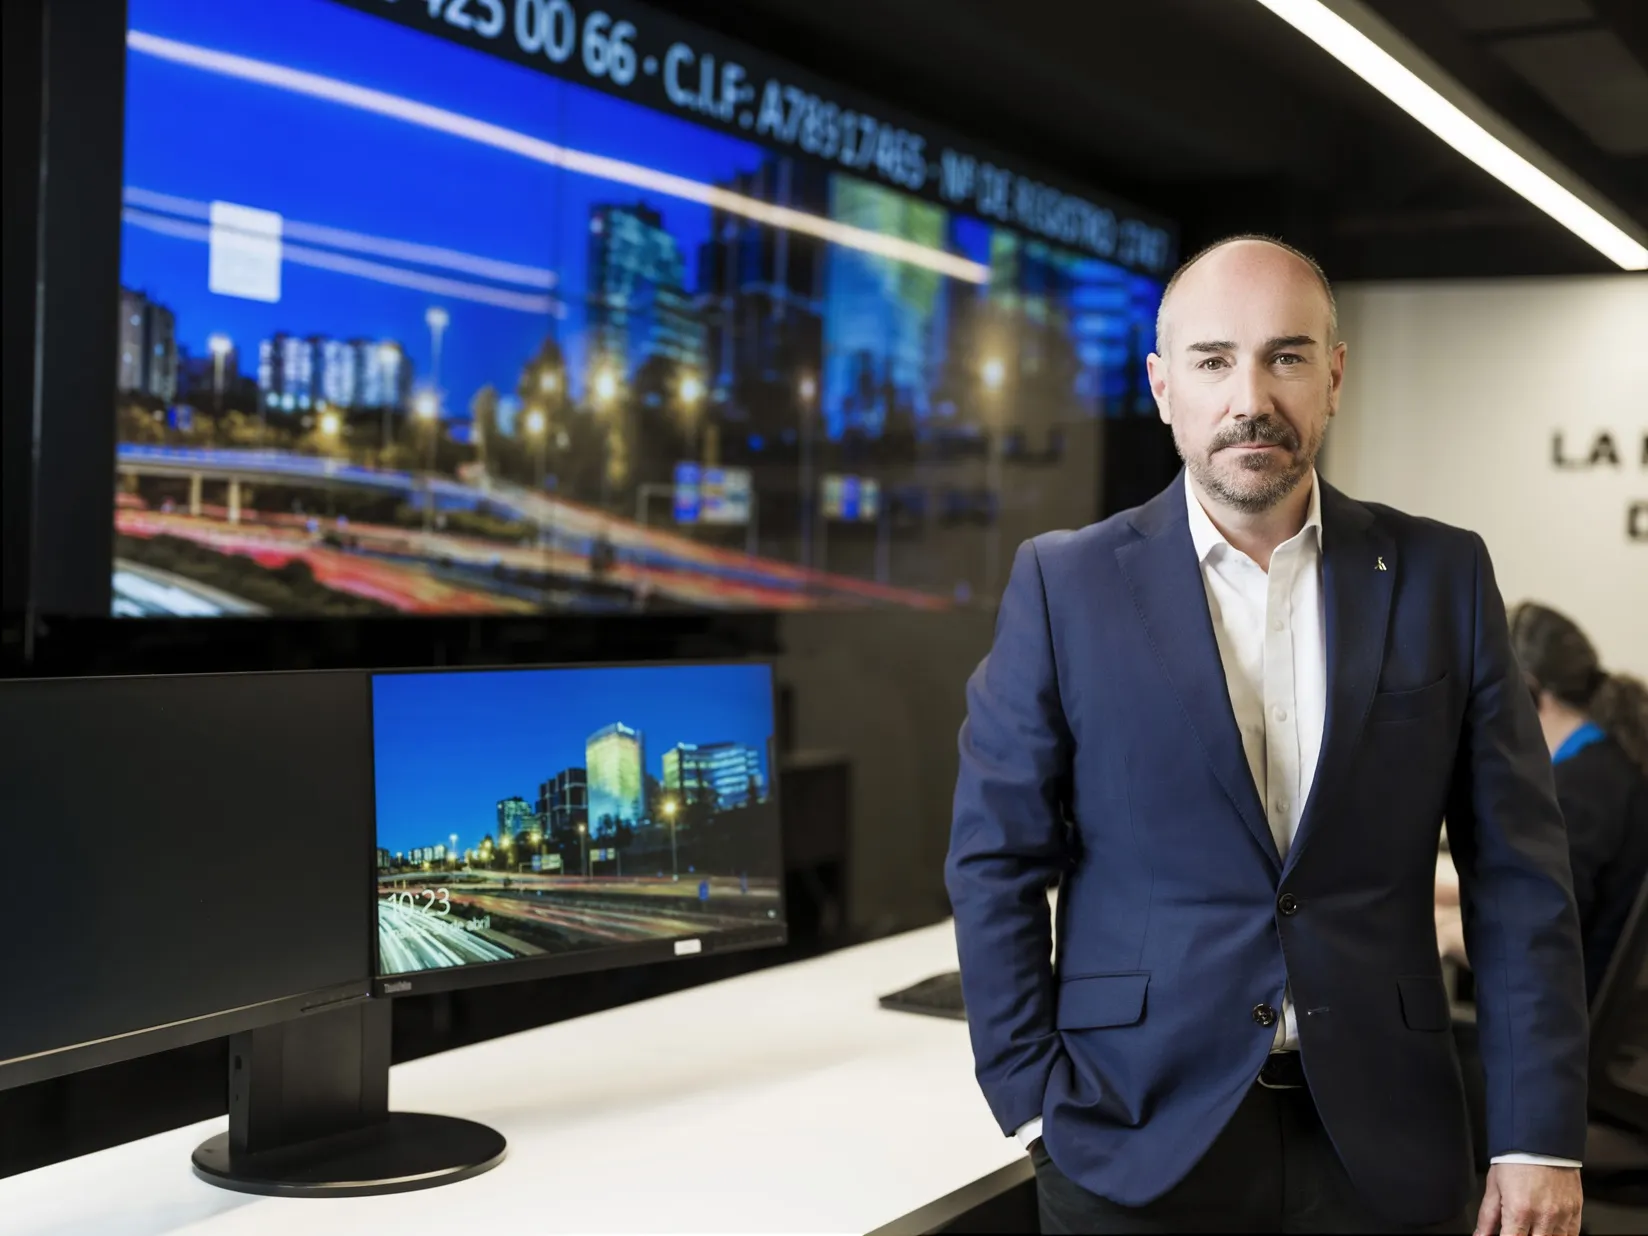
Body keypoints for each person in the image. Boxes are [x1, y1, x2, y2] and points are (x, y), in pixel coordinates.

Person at [946, 235, 1588, 1235]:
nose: (1250, 397)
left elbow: (1518, 876)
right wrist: (1031, 1096)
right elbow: (996, 858)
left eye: (1286, 356)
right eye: (1213, 360)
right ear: (1163, 386)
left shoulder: (1443, 576)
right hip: (1132, 1134)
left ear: (1333, 377)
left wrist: (1536, 1136)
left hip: (1385, 1138)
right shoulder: (1063, 586)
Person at [1438, 603, 1648, 1002]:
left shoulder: (1577, 792)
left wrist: (1445, 933)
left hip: (1564, 1014)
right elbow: (1534, 890)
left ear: (1527, 692)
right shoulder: (1606, 764)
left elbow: (1536, 936)